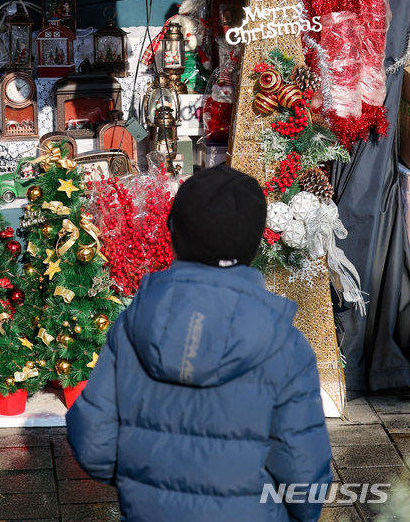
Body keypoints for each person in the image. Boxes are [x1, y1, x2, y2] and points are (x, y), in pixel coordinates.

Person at [66, 165, 333, 522]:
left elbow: (92, 438)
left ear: (174, 232)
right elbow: (303, 463)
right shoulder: (284, 344)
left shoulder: (134, 322)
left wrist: (140, 481)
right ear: (254, 244)